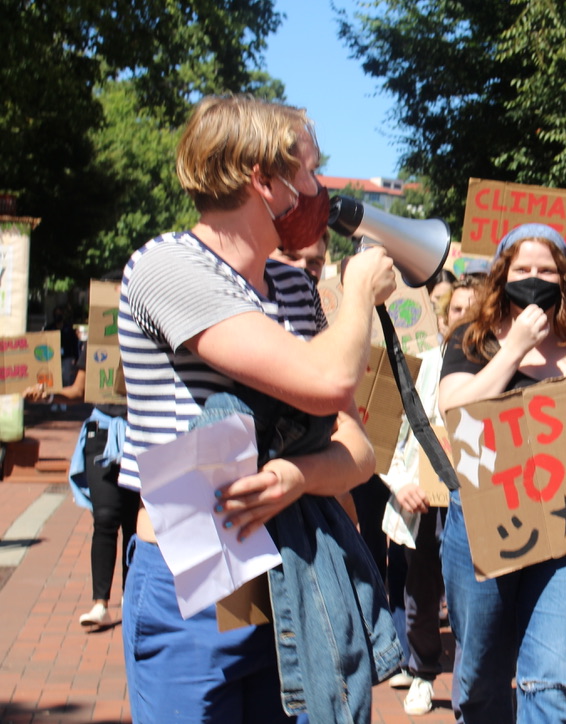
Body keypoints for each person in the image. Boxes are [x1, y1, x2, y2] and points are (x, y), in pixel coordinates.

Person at [118, 94, 400, 723]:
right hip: (192, 582)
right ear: (261, 179)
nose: (318, 189)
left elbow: (358, 449)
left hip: (287, 579)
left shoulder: (296, 289)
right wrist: (356, 293)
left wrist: (294, 479)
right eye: (307, 170)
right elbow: (326, 381)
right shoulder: (166, 266)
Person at [438, 223, 566, 723]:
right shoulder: (472, 339)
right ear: (503, 274)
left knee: (553, 677)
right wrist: (514, 348)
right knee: (482, 677)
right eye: (523, 269)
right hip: (485, 522)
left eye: (546, 270)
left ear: (564, 280)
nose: (534, 278)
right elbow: (453, 409)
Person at [381, 274, 482, 715]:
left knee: (473, 600)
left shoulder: (500, 366)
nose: (466, 318)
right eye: (457, 310)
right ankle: (422, 670)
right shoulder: (416, 365)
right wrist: (400, 482)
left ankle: (471, 680)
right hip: (424, 501)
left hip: (480, 503)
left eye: (476, 309)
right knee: (421, 594)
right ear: (443, 319)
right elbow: (383, 433)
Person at [24, 335, 139, 632]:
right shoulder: (98, 339)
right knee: (105, 517)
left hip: (140, 435)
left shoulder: (152, 330)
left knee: (134, 522)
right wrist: (47, 394)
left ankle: (132, 598)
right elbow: (78, 390)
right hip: (101, 434)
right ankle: (100, 603)